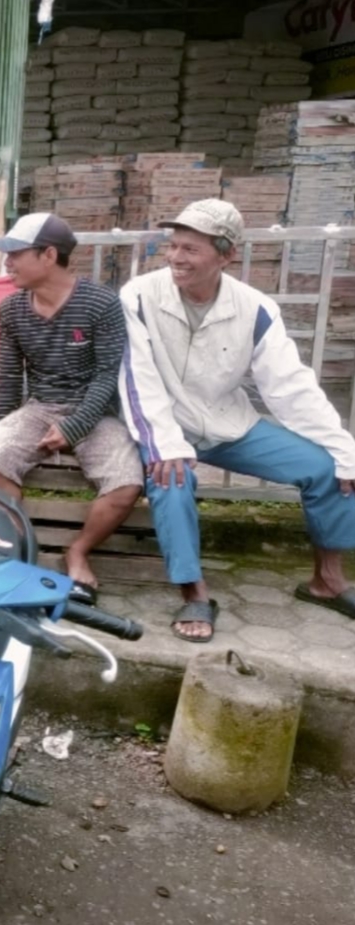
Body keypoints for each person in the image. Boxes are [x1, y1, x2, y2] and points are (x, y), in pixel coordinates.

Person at [120, 199, 355, 641]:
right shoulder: (138, 294)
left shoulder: (255, 308)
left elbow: (290, 387)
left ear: (226, 255)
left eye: (191, 249)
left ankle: (327, 581)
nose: (175, 258)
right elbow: (137, 378)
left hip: (228, 425)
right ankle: (194, 593)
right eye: (173, 246)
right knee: (171, 479)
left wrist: (345, 448)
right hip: (165, 425)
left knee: (328, 468)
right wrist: (165, 444)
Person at [0, 213, 143, 604]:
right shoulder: (12, 309)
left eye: (16, 254)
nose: (8, 263)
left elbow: (107, 376)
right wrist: (1, 426)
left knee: (126, 484)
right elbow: (9, 375)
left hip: (96, 410)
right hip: (39, 407)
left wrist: (74, 428)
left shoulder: (101, 304)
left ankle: (78, 551)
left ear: (49, 255)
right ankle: (21, 552)